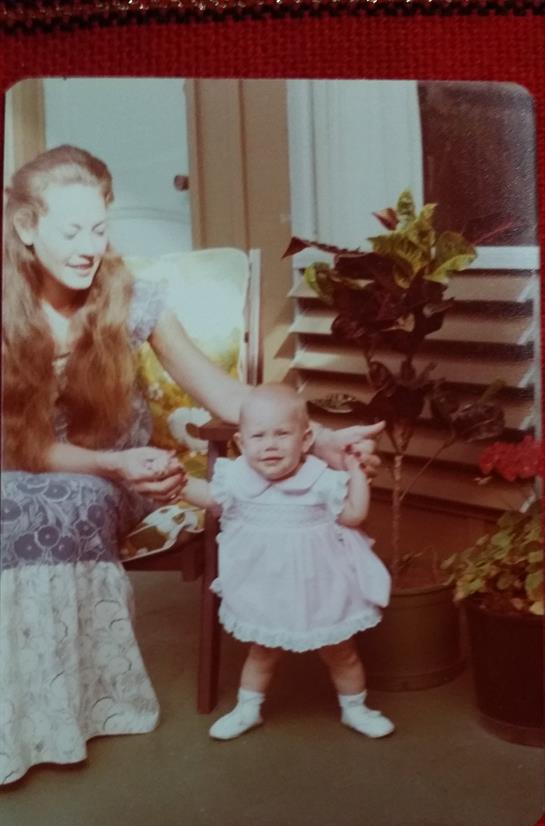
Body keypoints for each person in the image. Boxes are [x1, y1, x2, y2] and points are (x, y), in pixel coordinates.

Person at [0, 145, 385, 784]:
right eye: (70, 230)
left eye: (98, 228)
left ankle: (77, 709)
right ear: (26, 228)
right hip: (27, 458)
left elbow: (228, 397)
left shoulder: (130, 296)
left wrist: (321, 441)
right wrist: (111, 463)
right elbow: (20, 445)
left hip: (116, 468)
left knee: (68, 503)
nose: (87, 246)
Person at [180, 383, 394, 741]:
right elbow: (208, 498)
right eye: (259, 436)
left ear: (306, 440)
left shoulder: (321, 479)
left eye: (282, 434)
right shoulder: (236, 479)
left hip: (321, 584)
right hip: (268, 587)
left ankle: (356, 708)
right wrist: (176, 482)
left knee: (342, 652)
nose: (271, 444)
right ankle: (248, 709)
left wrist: (358, 473)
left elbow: (354, 515)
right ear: (241, 443)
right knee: (263, 651)